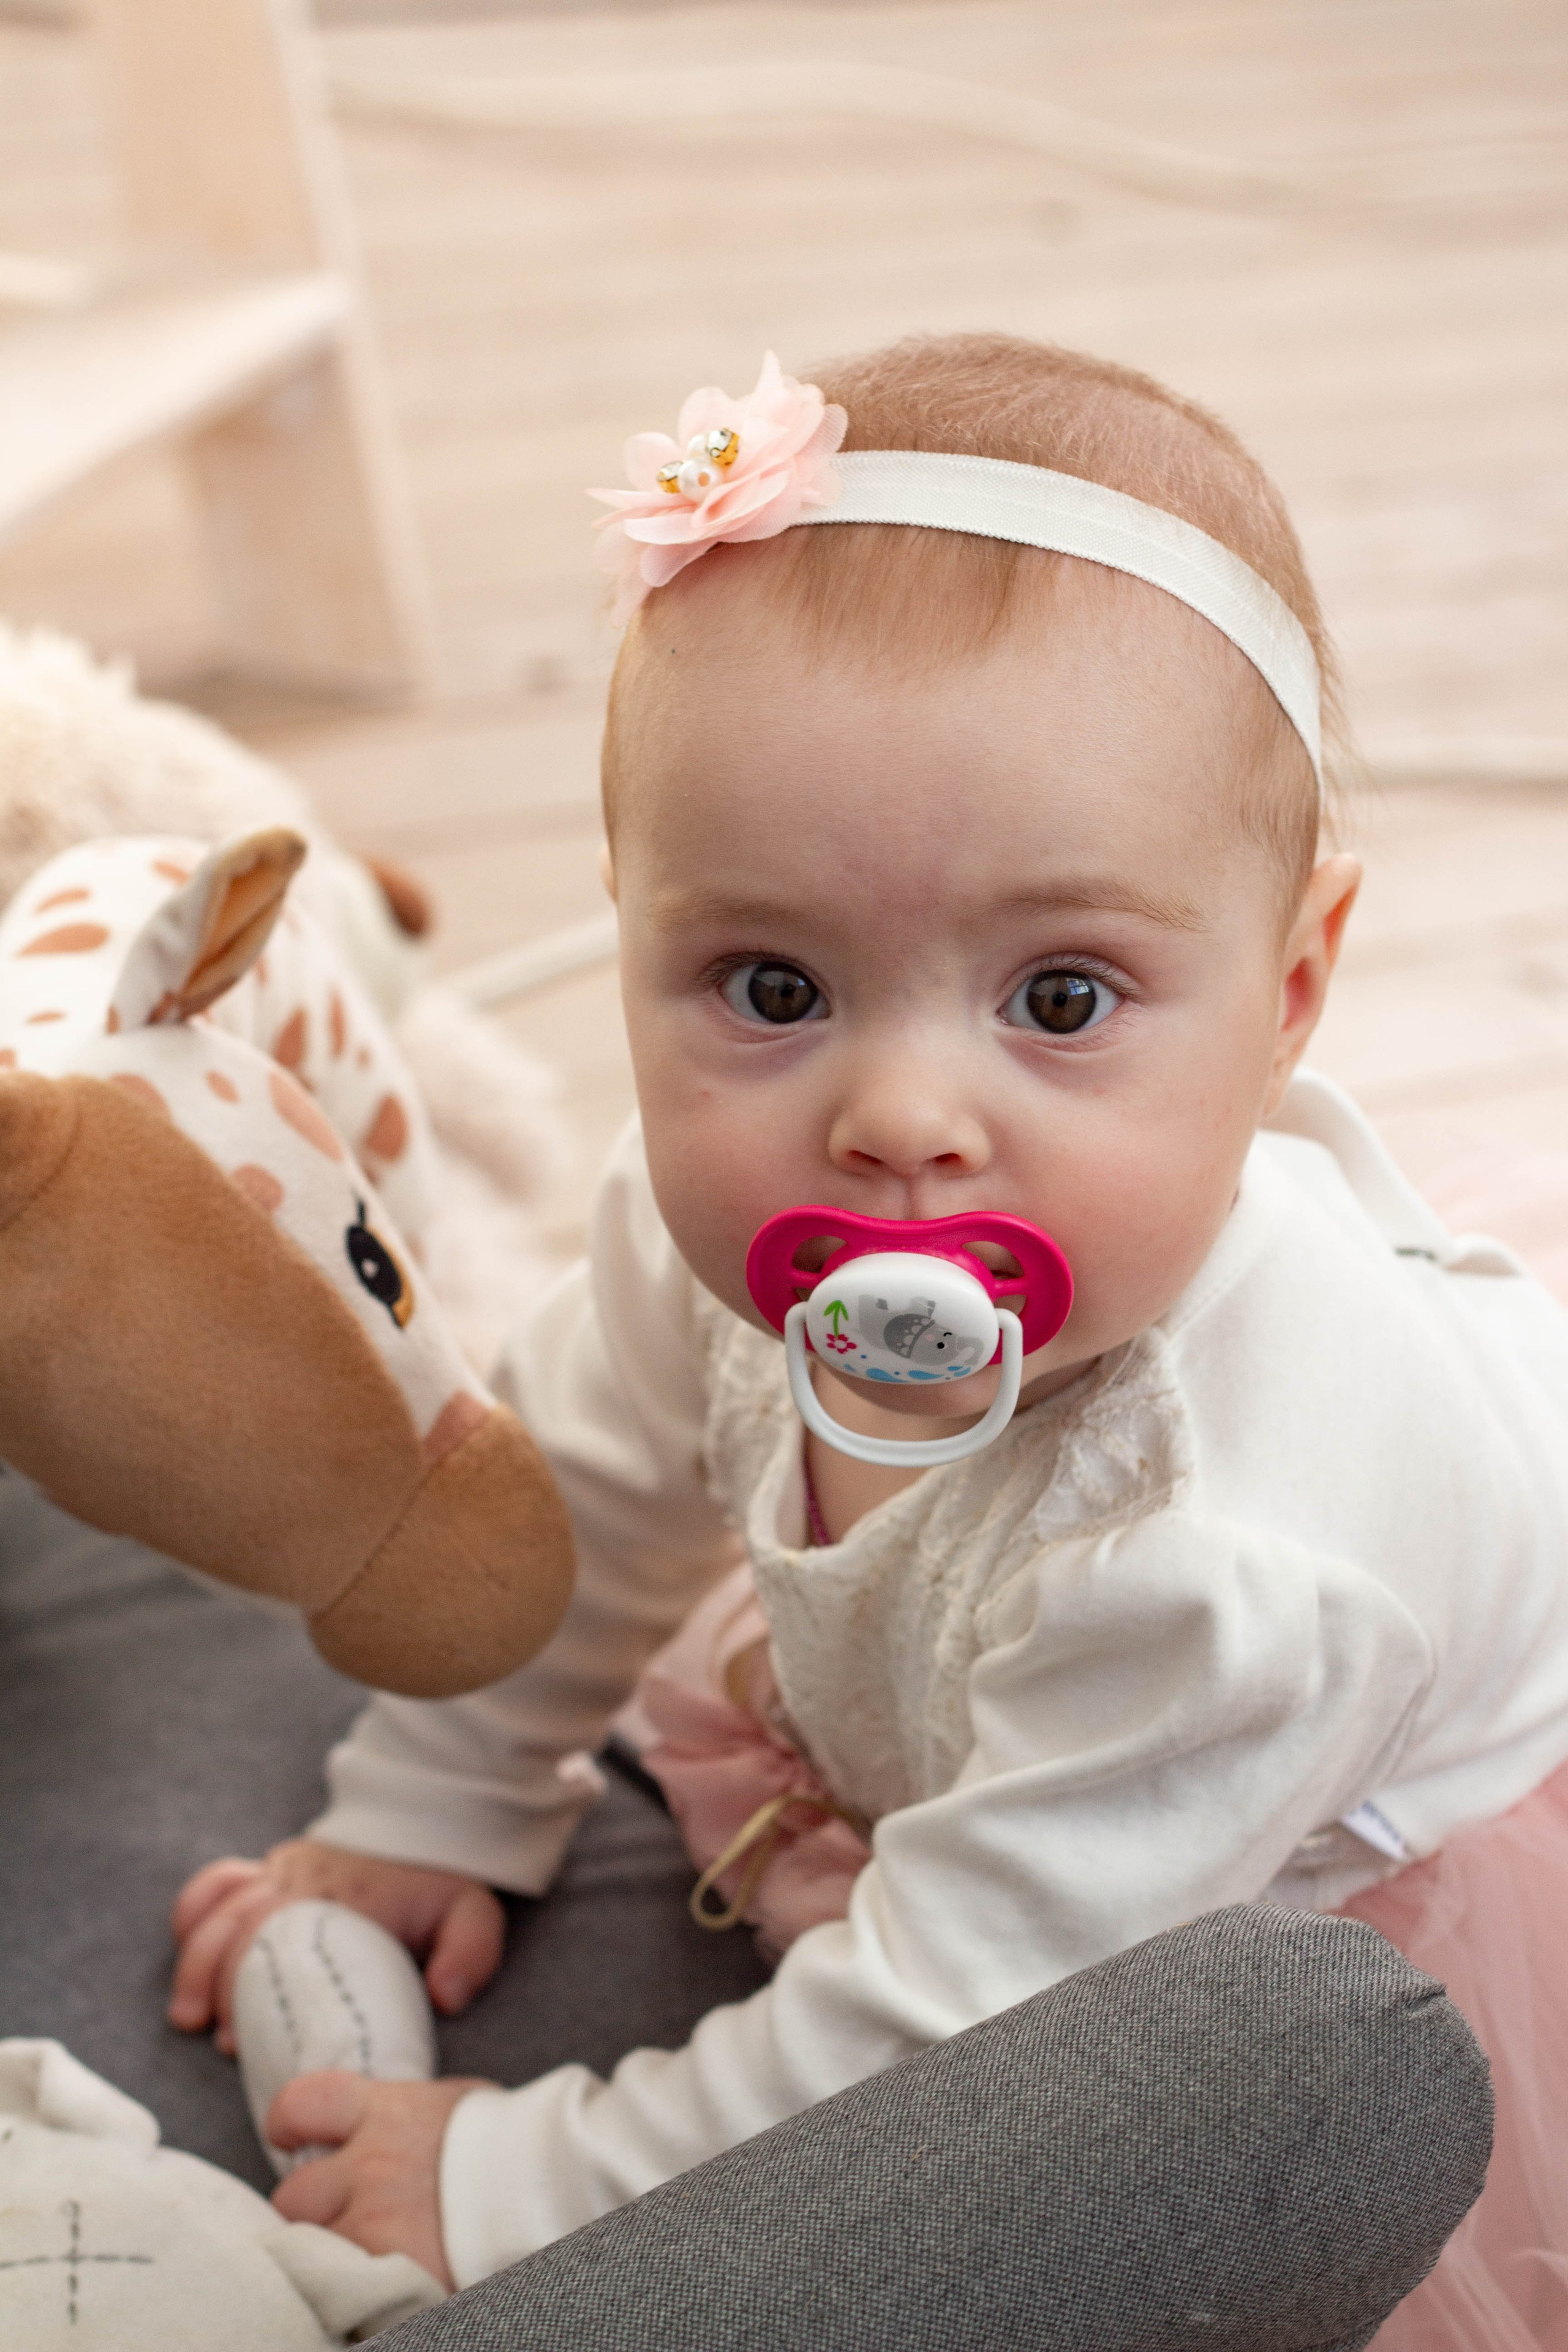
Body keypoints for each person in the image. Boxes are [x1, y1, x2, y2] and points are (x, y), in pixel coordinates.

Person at [169, 334, 1568, 2342]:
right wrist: (440, 1791)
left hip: (1303, 1822)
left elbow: (964, 2040)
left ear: (1292, 990)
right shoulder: (717, 1241)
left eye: (1063, 1000)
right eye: (767, 981)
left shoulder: (1233, 1557)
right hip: (1077, 1740)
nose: (899, 1118)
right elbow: (569, 1503)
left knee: (1149, 2156)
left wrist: (518, 2178)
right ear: (631, 926)